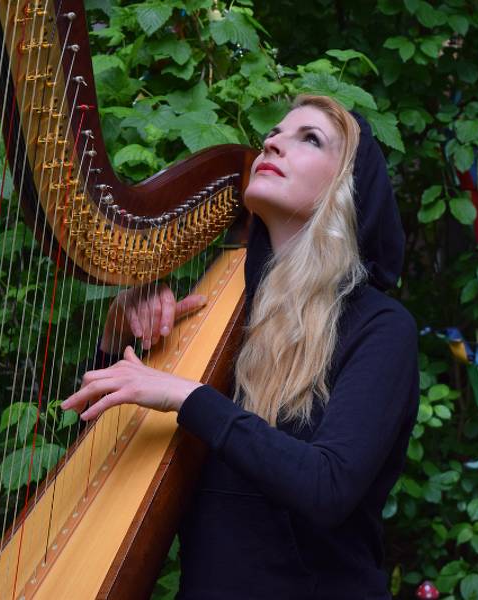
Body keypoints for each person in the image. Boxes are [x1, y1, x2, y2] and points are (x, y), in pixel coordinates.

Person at [61, 94, 418, 599]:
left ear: (347, 186)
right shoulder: (219, 317)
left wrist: (186, 396)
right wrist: (114, 340)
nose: (273, 143)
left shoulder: (381, 328)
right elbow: (99, 454)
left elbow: (328, 487)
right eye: (274, 133)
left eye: (309, 139)